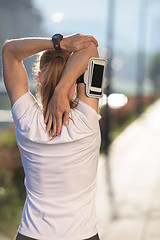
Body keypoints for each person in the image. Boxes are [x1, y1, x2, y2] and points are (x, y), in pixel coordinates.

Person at [2, 33, 101, 240]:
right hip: (82, 235)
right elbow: (90, 47)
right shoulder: (87, 119)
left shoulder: (26, 119)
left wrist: (59, 43)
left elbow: (10, 51)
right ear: (76, 80)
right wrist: (63, 88)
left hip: (31, 234)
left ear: (38, 77)